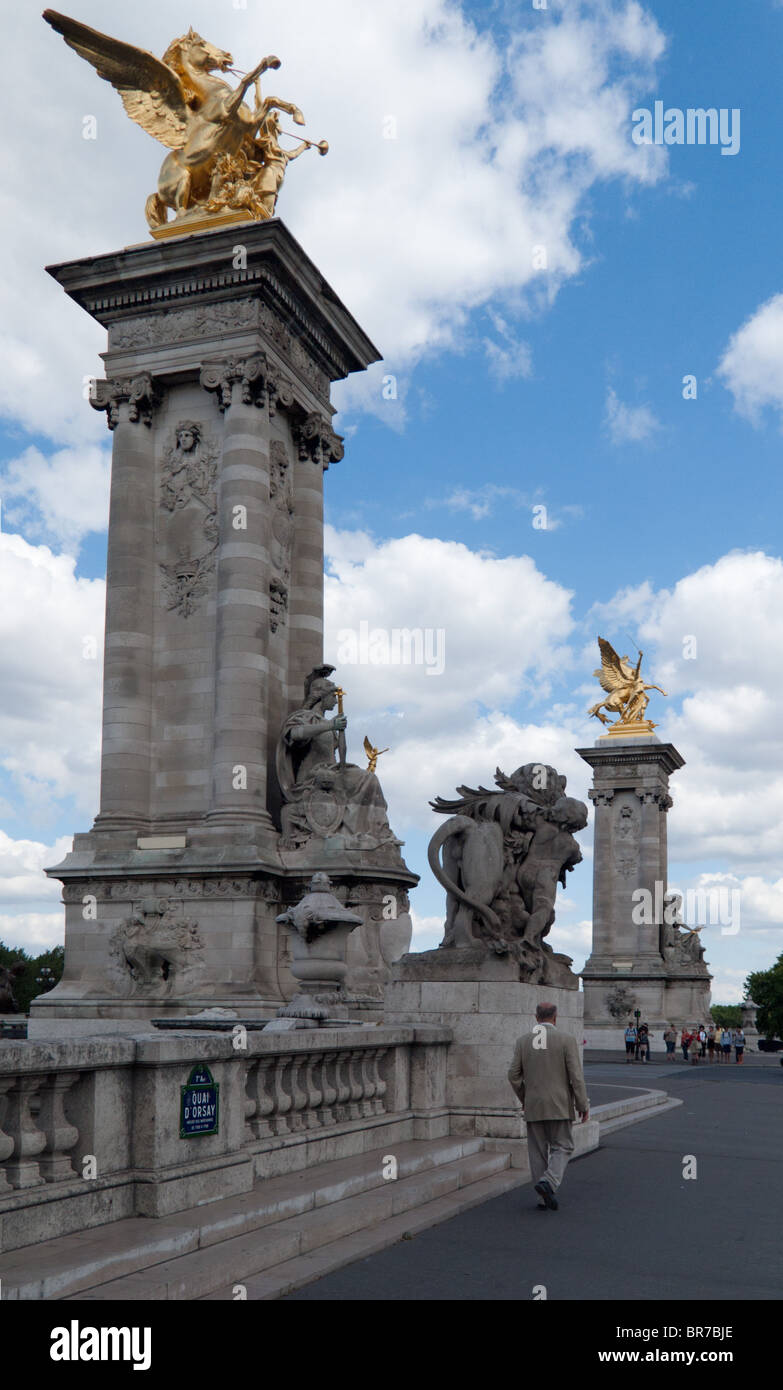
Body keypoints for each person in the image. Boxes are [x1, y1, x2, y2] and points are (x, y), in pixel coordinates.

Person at [507, 1001, 590, 1211]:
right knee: (563, 1146)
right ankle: (549, 1182)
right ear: (555, 1017)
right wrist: (582, 1103)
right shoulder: (566, 1040)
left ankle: (543, 1198)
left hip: (534, 1105)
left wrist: (525, 1098)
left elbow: (513, 1075)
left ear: (536, 1018)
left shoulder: (523, 1041)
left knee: (537, 1152)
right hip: (560, 1104)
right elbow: (576, 1077)